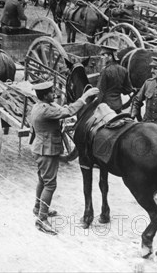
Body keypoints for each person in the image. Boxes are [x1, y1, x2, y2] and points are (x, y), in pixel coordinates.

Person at [29, 80, 99, 234]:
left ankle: (37, 207)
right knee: (50, 184)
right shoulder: (45, 110)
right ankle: (41, 219)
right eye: (50, 93)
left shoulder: (40, 106)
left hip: (41, 148)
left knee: (42, 179)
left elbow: (63, 108)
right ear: (44, 95)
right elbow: (68, 111)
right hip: (46, 150)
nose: (54, 94)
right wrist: (85, 96)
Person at [96, 45, 133, 113]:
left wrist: (94, 106)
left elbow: (100, 92)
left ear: (110, 56)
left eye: (104, 55)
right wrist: (118, 88)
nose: (102, 58)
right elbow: (128, 90)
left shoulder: (105, 71)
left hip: (106, 108)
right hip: (118, 106)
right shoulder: (123, 70)